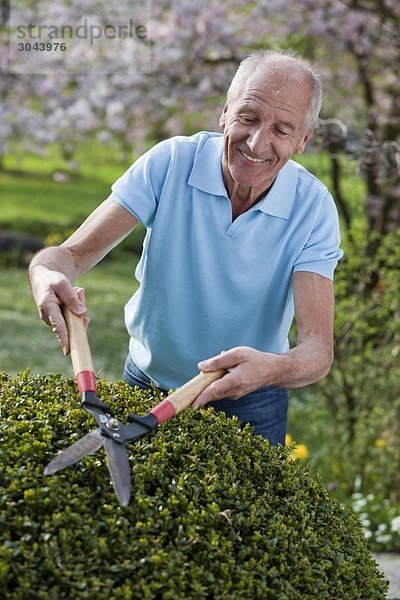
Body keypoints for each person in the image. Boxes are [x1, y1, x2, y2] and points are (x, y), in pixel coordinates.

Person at [29, 49, 343, 445]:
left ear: (302, 139)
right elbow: (71, 255)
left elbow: (317, 350)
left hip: (249, 398)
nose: (258, 141)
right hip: (147, 381)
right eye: (248, 117)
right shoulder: (171, 162)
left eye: (282, 129)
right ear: (225, 113)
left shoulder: (313, 208)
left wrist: (274, 369)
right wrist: (44, 272)